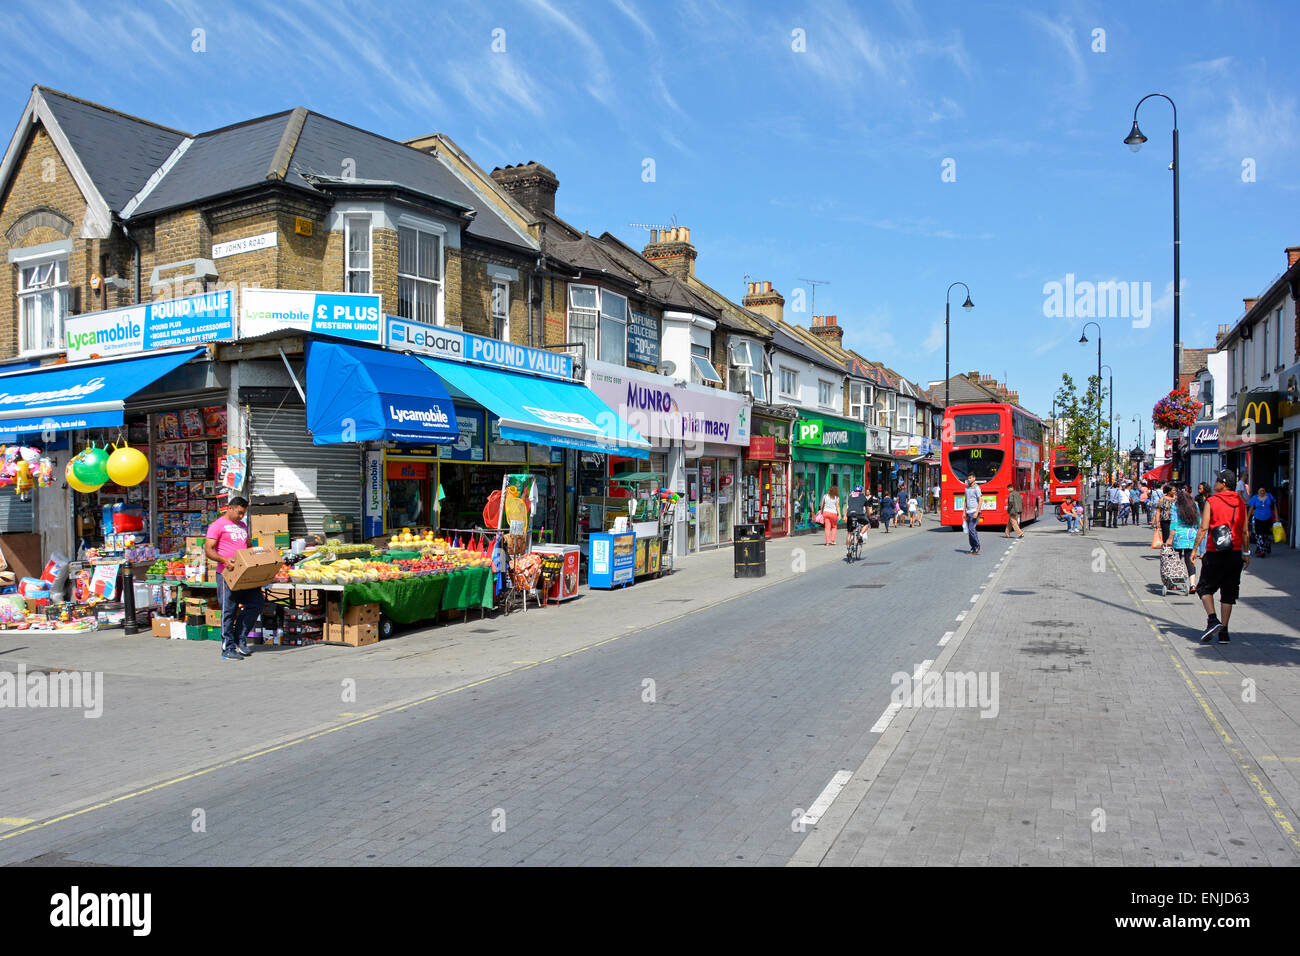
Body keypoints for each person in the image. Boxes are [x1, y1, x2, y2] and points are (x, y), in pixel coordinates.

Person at [205, 496, 265, 661]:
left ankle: (240, 638)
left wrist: (257, 554)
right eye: (239, 513)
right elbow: (208, 550)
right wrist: (224, 560)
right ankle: (227, 648)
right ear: (229, 508)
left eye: (243, 514)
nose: (240, 516)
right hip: (226, 574)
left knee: (257, 603)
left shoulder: (243, 525)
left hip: (245, 574)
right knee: (228, 611)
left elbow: (248, 545)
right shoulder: (217, 526)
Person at [1193, 470, 1249, 643]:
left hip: (1215, 552)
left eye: (1217, 480)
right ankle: (1224, 632)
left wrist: (1194, 550)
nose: (1214, 482)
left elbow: (1203, 528)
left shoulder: (1212, 501)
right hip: (1234, 553)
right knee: (1228, 593)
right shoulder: (1240, 502)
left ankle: (1212, 620)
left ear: (1224, 483)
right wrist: (1246, 553)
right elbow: (1245, 531)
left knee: (1203, 588)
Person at [1170, 486, 1200, 589]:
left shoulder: (1176, 506)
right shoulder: (1195, 505)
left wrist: (1170, 538)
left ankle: (1174, 583)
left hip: (1179, 536)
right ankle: (1192, 584)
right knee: (1190, 560)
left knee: (1176, 560)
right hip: (1191, 536)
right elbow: (1198, 522)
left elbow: (1174, 523)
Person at [1249, 485, 1277, 557]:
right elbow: (1251, 509)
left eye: (1263, 491)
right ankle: (1261, 550)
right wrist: (1247, 518)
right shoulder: (1255, 498)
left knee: (1266, 535)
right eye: (1260, 490)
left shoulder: (1269, 496)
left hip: (1268, 518)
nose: (1262, 492)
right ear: (1258, 491)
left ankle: (1265, 547)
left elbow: (1274, 507)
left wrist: (1277, 518)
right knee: (1259, 535)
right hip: (1258, 518)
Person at [845, 484, 869, 550]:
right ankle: (861, 534)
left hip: (850, 515)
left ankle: (848, 549)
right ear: (861, 490)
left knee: (849, 532)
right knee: (867, 524)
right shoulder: (863, 496)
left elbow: (849, 505)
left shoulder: (850, 496)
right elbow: (867, 508)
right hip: (859, 515)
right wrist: (868, 515)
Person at [964, 474, 982, 554]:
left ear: (974, 478)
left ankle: (977, 546)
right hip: (968, 512)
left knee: (971, 529)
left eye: (970, 478)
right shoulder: (966, 488)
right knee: (971, 530)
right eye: (968, 478)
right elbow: (965, 500)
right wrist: (963, 512)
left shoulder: (977, 488)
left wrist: (977, 512)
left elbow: (980, 500)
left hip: (975, 512)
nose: (969, 479)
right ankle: (973, 547)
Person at [1156, 482, 1174, 546]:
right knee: (1166, 537)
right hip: (1165, 521)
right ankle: (1166, 552)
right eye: (1173, 490)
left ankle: (1174, 552)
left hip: (1175, 521)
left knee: (1174, 537)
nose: (1174, 492)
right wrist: (1157, 522)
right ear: (1169, 491)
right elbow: (1158, 511)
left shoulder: (1176, 499)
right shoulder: (1162, 499)